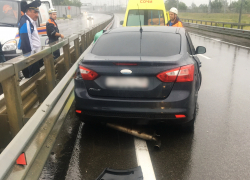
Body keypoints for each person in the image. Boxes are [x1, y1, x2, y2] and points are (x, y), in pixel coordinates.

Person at [18, 1, 42, 78]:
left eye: (37, 13)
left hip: (34, 54)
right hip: (31, 56)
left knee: (37, 75)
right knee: (34, 77)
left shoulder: (30, 21)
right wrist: (32, 60)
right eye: (35, 12)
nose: (37, 15)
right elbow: (26, 42)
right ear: (28, 11)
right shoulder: (26, 22)